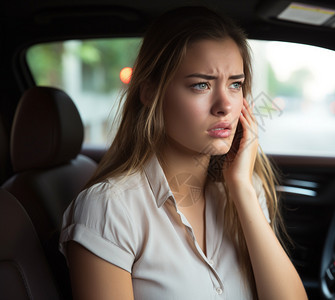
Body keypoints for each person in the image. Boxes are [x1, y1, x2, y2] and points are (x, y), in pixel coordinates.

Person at [59, 6, 308, 300]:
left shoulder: (247, 190)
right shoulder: (109, 208)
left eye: (236, 84)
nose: (225, 106)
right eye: (201, 85)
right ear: (151, 92)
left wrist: (241, 188)